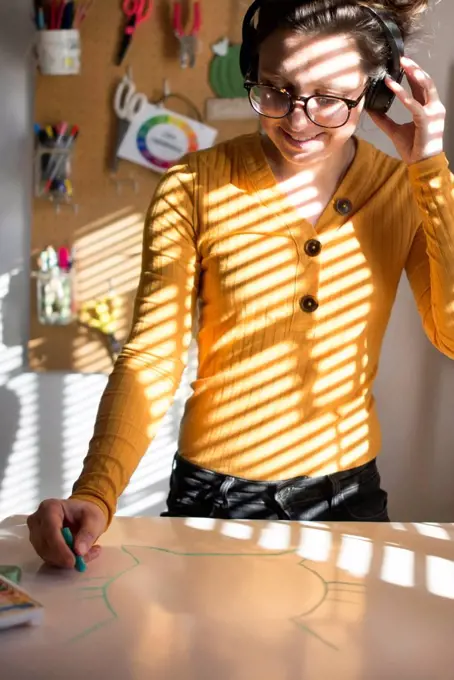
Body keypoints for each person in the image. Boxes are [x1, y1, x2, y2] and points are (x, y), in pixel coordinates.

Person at [28, 0, 452, 568]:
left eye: (329, 98)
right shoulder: (193, 185)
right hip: (214, 497)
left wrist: (429, 168)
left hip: (348, 499)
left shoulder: (403, 189)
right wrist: (95, 492)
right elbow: (152, 357)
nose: (297, 121)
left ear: (376, 92)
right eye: (276, 89)